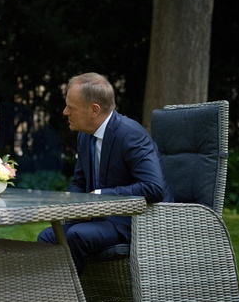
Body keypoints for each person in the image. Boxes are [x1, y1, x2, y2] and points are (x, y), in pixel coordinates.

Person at [38, 72, 173, 275]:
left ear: (94, 110)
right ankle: (56, 290)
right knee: (47, 237)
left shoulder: (130, 134)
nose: (65, 112)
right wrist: (74, 205)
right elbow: (80, 182)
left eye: (71, 107)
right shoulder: (84, 136)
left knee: (76, 236)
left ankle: (67, 293)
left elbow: (154, 188)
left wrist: (100, 196)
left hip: (135, 221)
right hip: (101, 220)